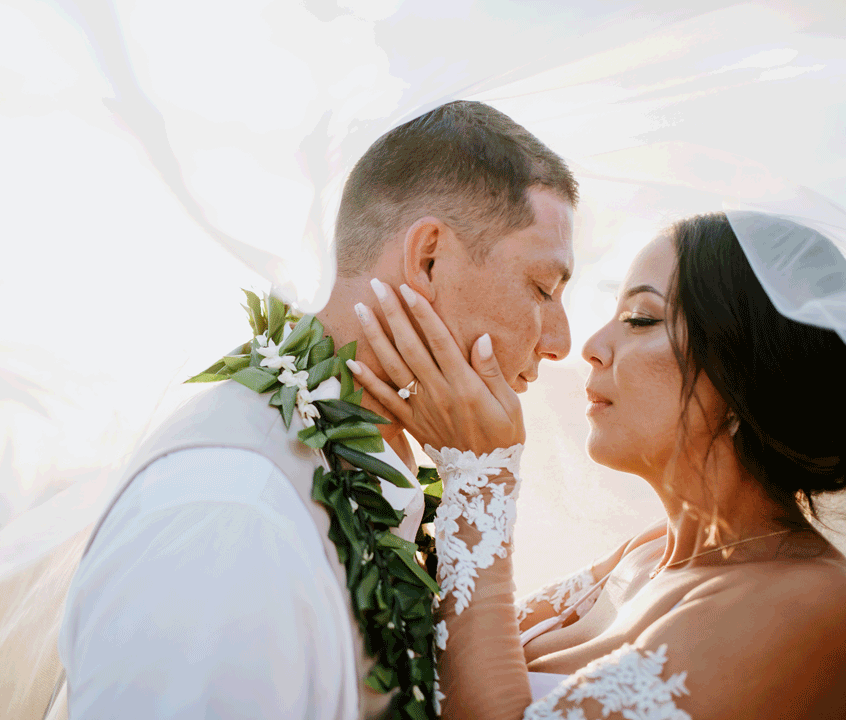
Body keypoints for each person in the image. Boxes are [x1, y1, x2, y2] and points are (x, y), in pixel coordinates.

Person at [55, 100, 578, 718]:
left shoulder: (365, 477)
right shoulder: (229, 516)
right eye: (543, 288)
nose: (562, 341)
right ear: (429, 257)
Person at [348, 211, 846, 718]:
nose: (593, 347)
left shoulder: (822, 605)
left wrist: (481, 478)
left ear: (744, 376)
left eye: (641, 319)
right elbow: (456, 652)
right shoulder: (649, 552)